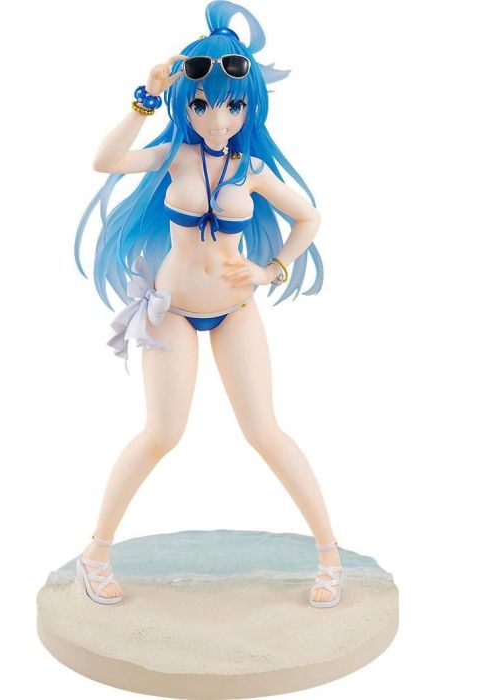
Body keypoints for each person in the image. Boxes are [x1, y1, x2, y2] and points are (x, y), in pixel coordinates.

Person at [74, 0, 343, 609]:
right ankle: (95, 553)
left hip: (236, 311)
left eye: (231, 105)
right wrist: (144, 98)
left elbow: (309, 218)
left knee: (264, 431)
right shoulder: (176, 156)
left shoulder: (252, 169)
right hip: (171, 310)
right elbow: (104, 161)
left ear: (249, 106)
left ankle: (329, 555)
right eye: (200, 105)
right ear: (184, 105)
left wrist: (272, 269)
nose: (217, 118)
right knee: (161, 433)